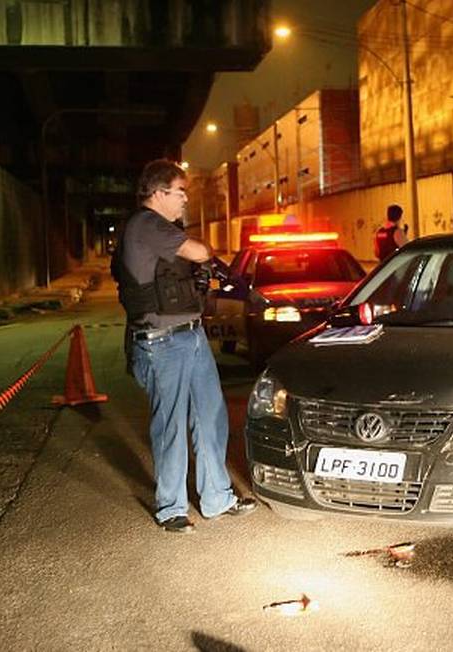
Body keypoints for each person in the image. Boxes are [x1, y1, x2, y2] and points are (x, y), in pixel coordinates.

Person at [114, 159, 257, 533]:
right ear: (159, 193)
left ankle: (216, 497)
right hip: (161, 343)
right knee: (172, 425)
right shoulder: (145, 225)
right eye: (180, 193)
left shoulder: (162, 227)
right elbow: (199, 252)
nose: (184, 201)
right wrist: (206, 253)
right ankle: (171, 508)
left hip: (190, 335)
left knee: (211, 416)